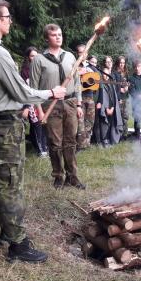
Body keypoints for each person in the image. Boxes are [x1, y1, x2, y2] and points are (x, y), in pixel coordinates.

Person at [0, 0, 66, 262]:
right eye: (7, 16)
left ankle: (6, 230)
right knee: (11, 182)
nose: (10, 20)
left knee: (1, 179)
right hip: (7, 123)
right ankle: (17, 244)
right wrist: (52, 92)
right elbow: (20, 91)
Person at [30, 23, 85, 190]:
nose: (58, 37)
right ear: (47, 38)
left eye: (60, 34)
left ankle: (72, 176)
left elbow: (77, 82)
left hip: (70, 103)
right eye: (54, 35)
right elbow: (34, 89)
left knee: (71, 141)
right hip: (50, 105)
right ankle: (58, 176)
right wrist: (39, 110)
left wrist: (79, 103)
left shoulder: (69, 57)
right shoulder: (39, 60)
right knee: (55, 143)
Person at [20, 47, 48, 158]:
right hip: (31, 101)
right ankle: (41, 150)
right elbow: (24, 90)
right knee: (37, 123)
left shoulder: (41, 68)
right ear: (28, 57)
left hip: (43, 99)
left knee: (44, 123)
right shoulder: (25, 72)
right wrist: (26, 106)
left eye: (36, 55)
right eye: (32, 56)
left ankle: (44, 146)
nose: (35, 58)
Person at [94, 57, 123, 146]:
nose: (105, 76)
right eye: (104, 74)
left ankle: (111, 139)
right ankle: (103, 140)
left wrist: (113, 107)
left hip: (112, 107)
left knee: (111, 123)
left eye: (107, 74)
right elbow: (103, 97)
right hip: (104, 108)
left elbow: (114, 97)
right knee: (104, 124)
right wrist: (106, 108)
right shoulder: (101, 84)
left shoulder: (111, 84)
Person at [77, 54, 97, 149]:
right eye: (80, 52)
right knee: (80, 122)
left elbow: (97, 77)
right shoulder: (75, 65)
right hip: (79, 98)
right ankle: (80, 145)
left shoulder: (90, 67)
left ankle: (87, 143)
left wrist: (89, 70)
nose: (82, 55)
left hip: (90, 97)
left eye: (83, 53)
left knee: (89, 121)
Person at [113, 56, 129, 139]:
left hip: (125, 98)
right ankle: (119, 134)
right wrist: (120, 89)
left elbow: (128, 82)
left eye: (123, 63)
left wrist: (127, 87)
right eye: (120, 63)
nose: (122, 64)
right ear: (118, 63)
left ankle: (125, 134)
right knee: (119, 117)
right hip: (118, 98)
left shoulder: (126, 72)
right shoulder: (114, 73)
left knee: (125, 116)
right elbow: (114, 85)